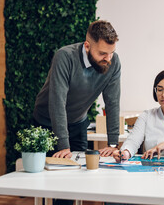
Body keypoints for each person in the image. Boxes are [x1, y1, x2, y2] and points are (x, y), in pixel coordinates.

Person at [33, 20, 121, 159]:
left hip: (77, 124)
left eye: (111, 52)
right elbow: (57, 102)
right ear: (87, 46)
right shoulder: (65, 57)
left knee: (81, 170)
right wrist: (63, 145)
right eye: (103, 53)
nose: (108, 59)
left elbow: (112, 102)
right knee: (50, 174)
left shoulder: (113, 62)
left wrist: (113, 143)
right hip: (47, 124)